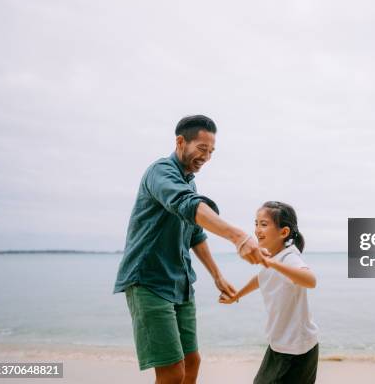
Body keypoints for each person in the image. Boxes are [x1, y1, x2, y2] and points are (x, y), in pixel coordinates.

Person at [113, 115, 266, 384]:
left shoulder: (189, 181)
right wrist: (239, 236)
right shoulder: (160, 172)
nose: (206, 157)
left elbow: (195, 233)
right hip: (148, 280)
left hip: (180, 283)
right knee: (172, 372)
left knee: (192, 361)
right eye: (202, 149)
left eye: (211, 152)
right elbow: (187, 205)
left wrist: (217, 276)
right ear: (181, 142)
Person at [220, 201, 319, 384]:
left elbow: (311, 280)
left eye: (264, 224)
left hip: (295, 348)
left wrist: (272, 263)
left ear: (283, 232)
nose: (257, 230)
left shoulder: (289, 257)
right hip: (281, 344)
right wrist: (237, 295)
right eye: (256, 224)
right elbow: (262, 277)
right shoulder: (274, 256)